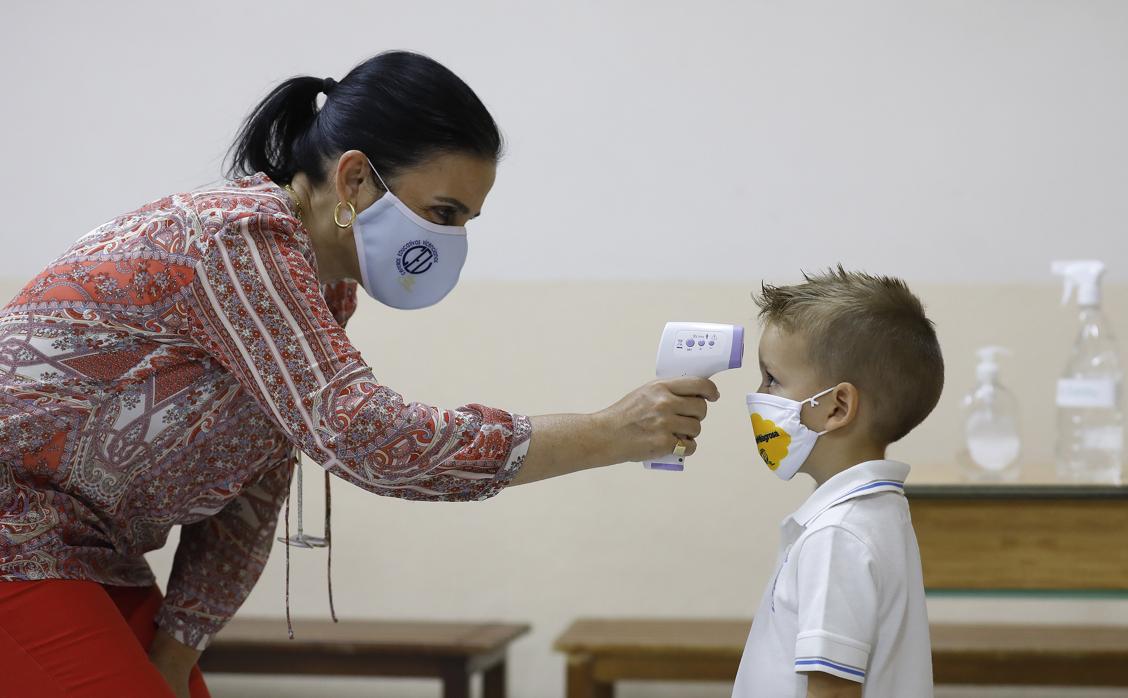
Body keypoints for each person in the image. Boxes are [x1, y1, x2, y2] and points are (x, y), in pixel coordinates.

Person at [0, 50, 718, 698]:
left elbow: (252, 491)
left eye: (466, 220)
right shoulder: (238, 239)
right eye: (443, 212)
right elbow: (369, 439)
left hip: (86, 546)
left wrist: (178, 648)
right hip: (18, 528)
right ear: (352, 177)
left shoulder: (323, 285)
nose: (453, 240)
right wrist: (610, 432)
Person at [732, 267, 944, 698]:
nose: (760, 394)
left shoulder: (838, 536)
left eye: (772, 377)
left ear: (836, 407)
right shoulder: (872, 517)